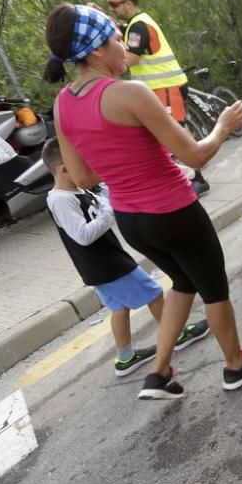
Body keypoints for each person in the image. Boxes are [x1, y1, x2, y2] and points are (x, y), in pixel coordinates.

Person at [43, 3, 242, 400]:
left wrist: (118, 162)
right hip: (174, 211)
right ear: (97, 50)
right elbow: (196, 156)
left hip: (133, 223)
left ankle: (159, 373)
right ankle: (237, 365)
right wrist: (221, 128)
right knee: (215, 290)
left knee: (182, 283)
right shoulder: (129, 93)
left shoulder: (63, 104)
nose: (123, 47)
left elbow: (81, 177)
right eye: (117, 39)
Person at [43, 137, 210, 378]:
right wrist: (109, 210)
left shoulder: (77, 189)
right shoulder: (60, 199)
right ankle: (178, 335)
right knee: (153, 293)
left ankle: (125, 358)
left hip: (102, 264)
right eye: (83, 164)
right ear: (65, 169)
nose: (88, 169)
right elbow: (82, 235)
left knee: (119, 308)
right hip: (107, 265)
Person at [107, 0, 210, 197]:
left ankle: (198, 179)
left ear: (128, 3)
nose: (112, 9)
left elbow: (130, 59)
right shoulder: (136, 24)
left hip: (166, 86)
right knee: (170, 133)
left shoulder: (138, 26)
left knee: (176, 132)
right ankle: (187, 175)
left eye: (114, 5)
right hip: (161, 88)